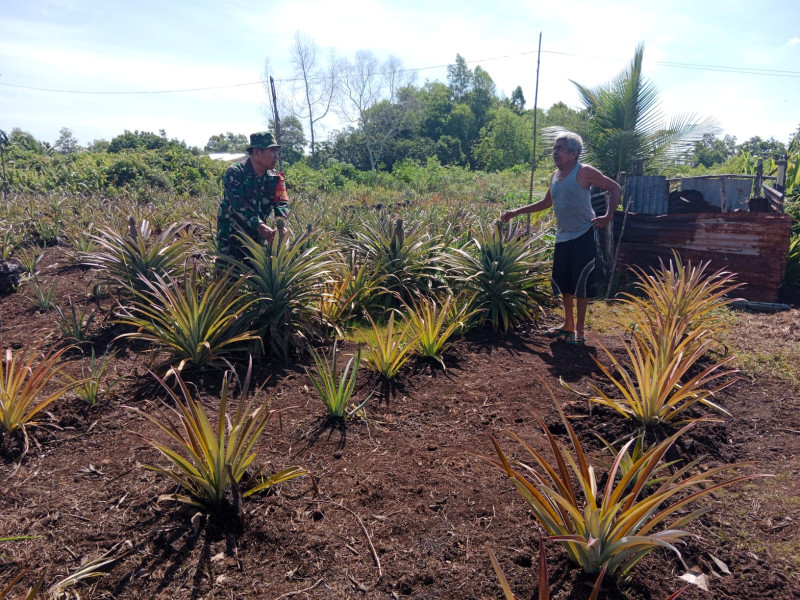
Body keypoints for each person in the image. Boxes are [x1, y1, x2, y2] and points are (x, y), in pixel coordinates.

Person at [501, 132, 620, 345]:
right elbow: (546, 203)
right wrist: (515, 212)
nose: (555, 152)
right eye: (555, 148)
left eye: (560, 149)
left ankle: (580, 331)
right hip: (563, 236)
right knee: (565, 283)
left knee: (582, 283)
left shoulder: (584, 172)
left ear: (574, 153)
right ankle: (568, 325)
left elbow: (615, 187)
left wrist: (608, 216)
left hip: (584, 233)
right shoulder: (555, 176)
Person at [216, 131, 289, 262]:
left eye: (276, 151)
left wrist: (281, 225)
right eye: (272, 151)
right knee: (226, 275)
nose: (276, 156)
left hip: (258, 236)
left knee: (253, 275)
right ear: (256, 152)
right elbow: (239, 205)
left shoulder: (276, 178)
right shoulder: (235, 172)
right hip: (231, 235)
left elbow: (281, 203)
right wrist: (261, 226)